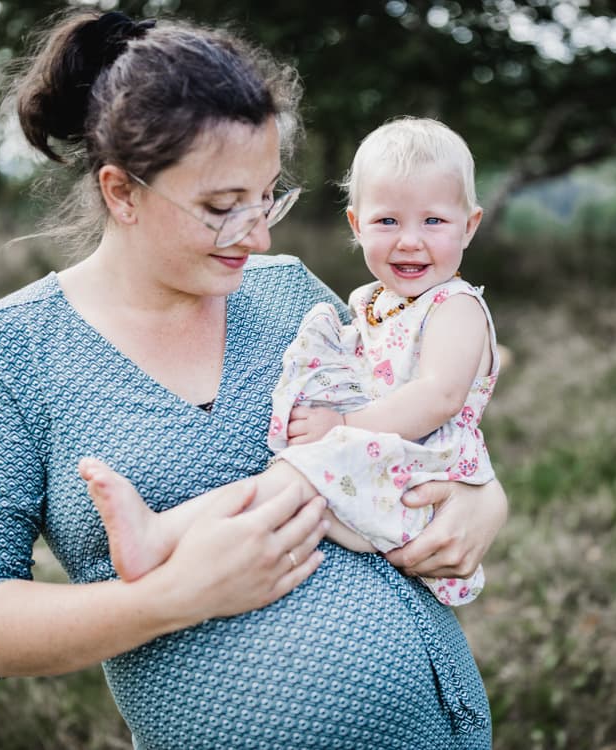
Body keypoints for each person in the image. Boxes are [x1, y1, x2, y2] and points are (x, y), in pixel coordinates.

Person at [0, 10, 507, 749]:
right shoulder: (10, 352)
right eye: (222, 208)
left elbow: (419, 418)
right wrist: (175, 597)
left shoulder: (292, 293)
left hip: (435, 723)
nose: (259, 235)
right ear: (121, 192)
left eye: (268, 197)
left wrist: (484, 498)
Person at [82, 117, 497, 607]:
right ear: (355, 225)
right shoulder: (371, 301)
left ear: (469, 226)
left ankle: (160, 535)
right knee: (296, 487)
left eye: (434, 221)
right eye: (387, 221)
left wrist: (344, 424)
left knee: (296, 477)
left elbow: (440, 396)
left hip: (417, 480)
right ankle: (168, 543)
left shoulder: (455, 307)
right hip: (387, 471)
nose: (409, 240)